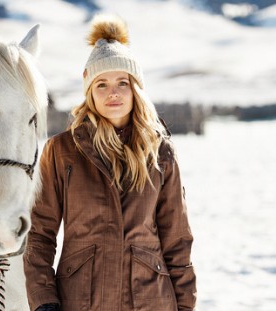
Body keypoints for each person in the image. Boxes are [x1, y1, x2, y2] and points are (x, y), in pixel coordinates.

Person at [23, 14, 197, 311]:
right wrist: (44, 301)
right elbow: (38, 235)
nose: (113, 92)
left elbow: (177, 240)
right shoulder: (62, 150)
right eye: (101, 84)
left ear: (135, 89)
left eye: (122, 82)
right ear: (89, 91)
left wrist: (185, 305)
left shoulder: (161, 152)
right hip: (80, 300)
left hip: (151, 300)